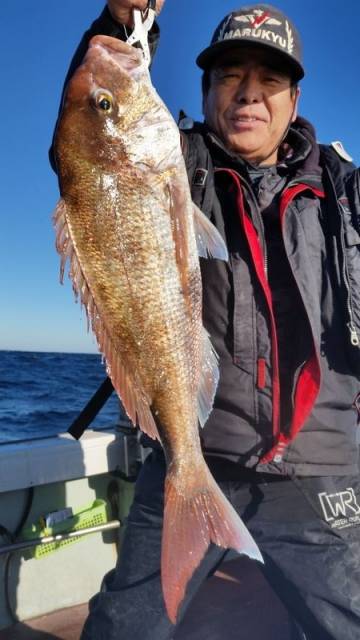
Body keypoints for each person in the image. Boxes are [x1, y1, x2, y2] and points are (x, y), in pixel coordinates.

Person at [51, 3, 360, 639]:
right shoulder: (177, 165)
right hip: (193, 454)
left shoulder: (345, 187)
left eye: (268, 80)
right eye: (228, 77)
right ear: (203, 92)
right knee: (123, 628)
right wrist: (118, 24)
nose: (248, 93)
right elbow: (81, 150)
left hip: (320, 465)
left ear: (293, 97)